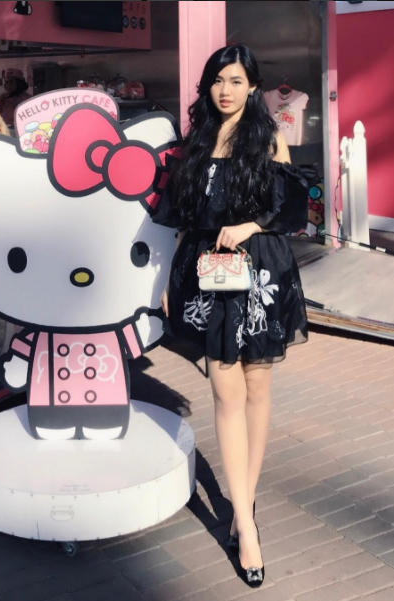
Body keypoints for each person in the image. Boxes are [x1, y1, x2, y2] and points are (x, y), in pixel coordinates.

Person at [155, 45, 308, 587]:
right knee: (226, 392)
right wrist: (168, 279)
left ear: (253, 86)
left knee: (257, 387)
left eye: (236, 80)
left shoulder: (267, 137)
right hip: (209, 272)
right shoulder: (197, 140)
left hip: (259, 269)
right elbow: (181, 217)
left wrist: (251, 226)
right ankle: (246, 525)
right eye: (218, 80)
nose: (226, 90)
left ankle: (243, 508)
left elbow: (289, 209)